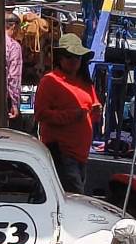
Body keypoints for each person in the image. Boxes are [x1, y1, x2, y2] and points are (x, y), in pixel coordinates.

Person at [33, 33, 100, 193]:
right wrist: (72, 115)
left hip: (81, 154)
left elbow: (92, 108)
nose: (74, 61)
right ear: (60, 58)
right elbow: (41, 114)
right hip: (62, 152)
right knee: (74, 197)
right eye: (69, 56)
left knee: (75, 196)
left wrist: (96, 110)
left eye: (77, 56)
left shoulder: (85, 82)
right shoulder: (50, 81)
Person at [4, 12, 24, 122]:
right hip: (6, 99)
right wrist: (15, 103)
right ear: (13, 26)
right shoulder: (14, 46)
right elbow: (13, 77)